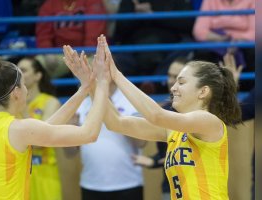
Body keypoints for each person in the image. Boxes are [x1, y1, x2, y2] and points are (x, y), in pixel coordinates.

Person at [85, 36, 241, 199]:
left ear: (203, 91)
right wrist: (93, 83)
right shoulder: (173, 129)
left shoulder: (208, 121)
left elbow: (155, 115)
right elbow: (115, 123)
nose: (173, 87)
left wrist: (116, 75)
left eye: (181, 82)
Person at [0, 37, 111, 200]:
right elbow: (89, 134)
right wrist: (102, 85)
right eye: (23, 85)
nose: (27, 91)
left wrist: (85, 88)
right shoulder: (18, 129)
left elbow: (43, 129)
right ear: (16, 92)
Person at [65, 81, 146, 200]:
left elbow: (142, 143)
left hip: (128, 183)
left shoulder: (130, 100)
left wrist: (116, 115)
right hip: (91, 184)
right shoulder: (82, 104)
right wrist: (70, 131)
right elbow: (69, 153)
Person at [131, 57, 187, 200]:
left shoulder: (203, 111)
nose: (170, 81)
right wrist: (153, 161)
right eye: (169, 76)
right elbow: (164, 152)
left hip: (199, 187)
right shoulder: (165, 111)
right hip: (171, 187)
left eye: (177, 78)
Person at [17, 57, 62, 200]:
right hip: (17, 174)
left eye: (23, 70)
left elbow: (40, 141)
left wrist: (21, 108)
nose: (18, 74)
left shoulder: (50, 102)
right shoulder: (11, 104)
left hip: (44, 172)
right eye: (16, 70)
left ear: (38, 76)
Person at [35, 0, 107, 78]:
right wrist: (48, 52)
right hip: (59, 54)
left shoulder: (92, 2)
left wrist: (83, 54)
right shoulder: (50, 4)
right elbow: (43, 34)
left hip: (86, 54)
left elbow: (94, 33)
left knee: (95, 66)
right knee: (36, 65)